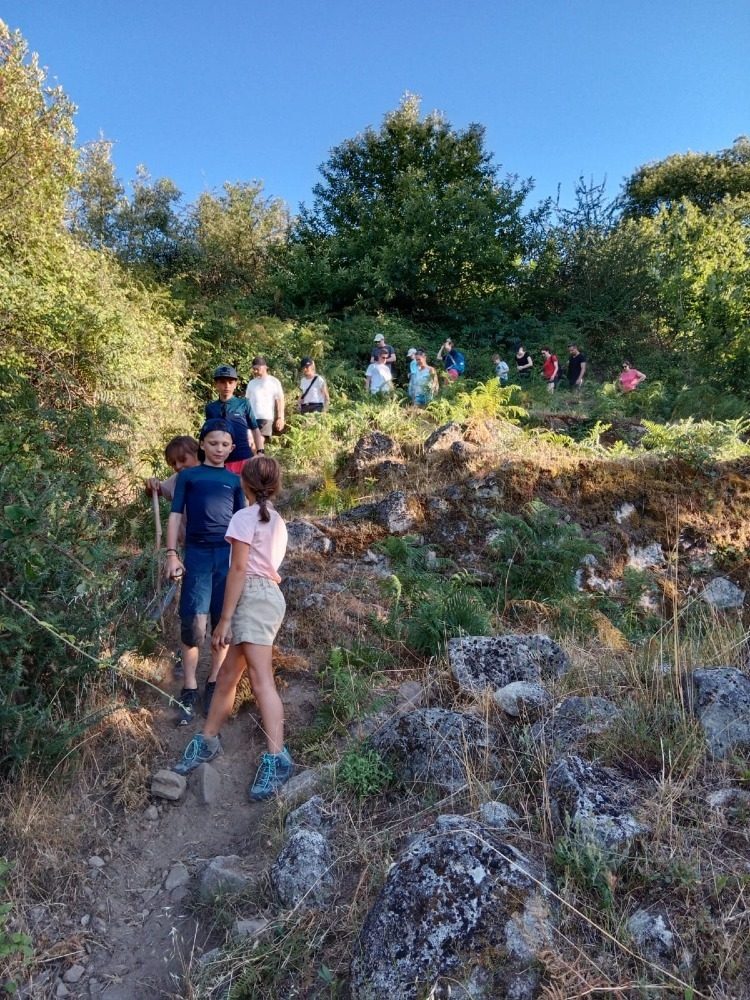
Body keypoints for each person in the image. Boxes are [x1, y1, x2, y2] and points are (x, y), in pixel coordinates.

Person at [171, 456, 292, 802]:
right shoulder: (276, 520)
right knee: (226, 677)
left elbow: (238, 570)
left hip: (252, 596)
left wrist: (223, 620)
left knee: (261, 680)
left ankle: (277, 758)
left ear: (244, 483)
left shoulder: (243, 517)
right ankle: (208, 739)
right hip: (266, 596)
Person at [164, 419, 246, 726]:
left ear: (232, 447)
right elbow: (175, 516)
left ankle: (213, 681)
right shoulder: (189, 477)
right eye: (213, 443)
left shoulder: (235, 481)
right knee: (193, 624)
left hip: (225, 557)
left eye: (225, 444)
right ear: (202, 444)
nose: (219, 449)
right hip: (196, 556)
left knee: (222, 623)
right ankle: (189, 687)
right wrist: (172, 554)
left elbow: (242, 524)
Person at [205, 364, 263, 473]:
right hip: (220, 460)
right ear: (216, 384)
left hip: (243, 457)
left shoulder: (244, 404)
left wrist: (260, 452)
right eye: (222, 382)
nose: (227, 386)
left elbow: (255, 428)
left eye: (230, 382)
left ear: (235, 384)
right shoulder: (211, 408)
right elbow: (208, 435)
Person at [245, 356, 285, 446]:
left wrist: (280, 418)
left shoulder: (274, 382)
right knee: (249, 443)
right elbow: (247, 401)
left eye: (257, 369)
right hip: (251, 419)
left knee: (258, 444)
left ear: (265, 367)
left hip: (266, 418)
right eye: (254, 369)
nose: (255, 371)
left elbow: (280, 400)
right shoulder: (251, 383)